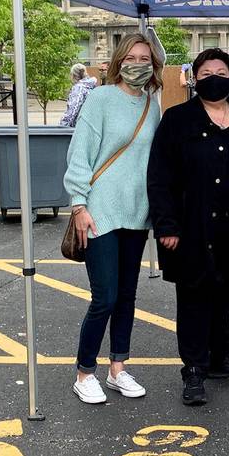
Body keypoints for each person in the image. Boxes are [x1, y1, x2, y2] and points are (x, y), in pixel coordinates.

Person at [147, 47, 229, 406]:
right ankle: (193, 369)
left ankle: (221, 357)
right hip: (191, 227)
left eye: (220, 72)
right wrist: (167, 226)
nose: (213, 79)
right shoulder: (177, 120)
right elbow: (160, 177)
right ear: (194, 79)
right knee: (193, 297)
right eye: (205, 74)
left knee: (223, 293)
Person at [63, 34, 163, 404]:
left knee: (126, 296)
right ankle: (84, 372)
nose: (138, 63)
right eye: (132, 57)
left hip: (137, 214)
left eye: (145, 57)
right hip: (99, 211)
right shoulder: (100, 99)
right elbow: (80, 155)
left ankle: (118, 367)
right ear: (119, 61)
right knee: (104, 296)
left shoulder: (153, 104)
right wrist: (79, 205)